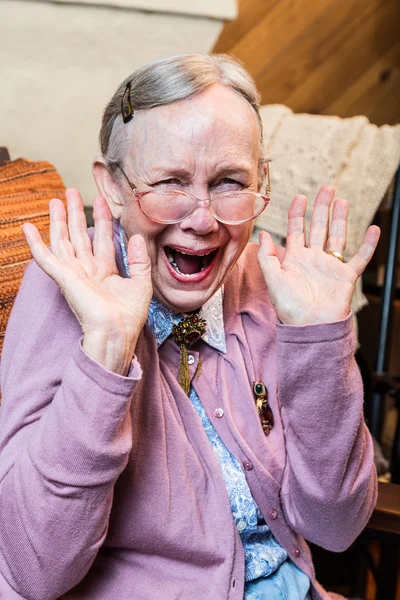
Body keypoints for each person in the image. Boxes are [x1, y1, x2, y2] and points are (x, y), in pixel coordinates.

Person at [0, 54, 380, 600]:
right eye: (170, 181)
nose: (202, 219)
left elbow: (335, 528)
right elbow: (31, 569)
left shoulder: (274, 281)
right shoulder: (65, 287)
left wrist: (319, 342)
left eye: (229, 182)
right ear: (110, 187)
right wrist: (104, 353)